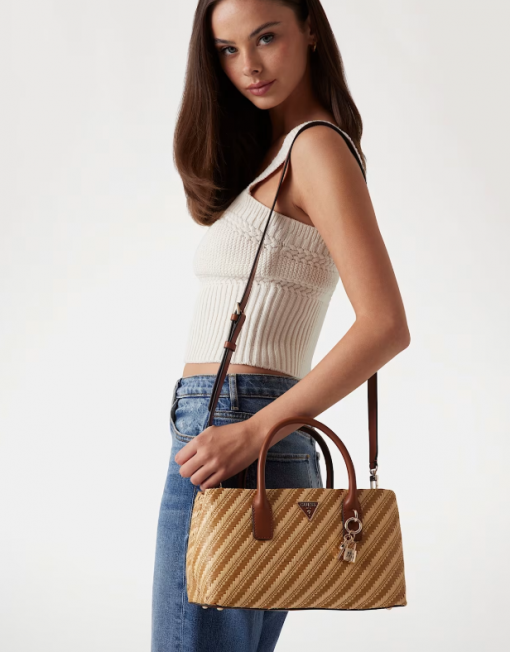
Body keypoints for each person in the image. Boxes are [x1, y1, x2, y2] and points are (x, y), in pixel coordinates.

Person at [151, 1, 411, 650]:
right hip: (243, 426)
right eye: (227, 49)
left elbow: (385, 325)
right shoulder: (284, 151)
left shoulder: (315, 148)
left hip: (241, 425)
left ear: (310, 30)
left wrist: (253, 432)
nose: (249, 65)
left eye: (266, 37)